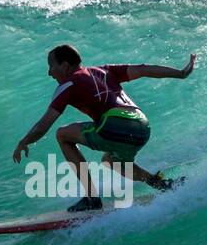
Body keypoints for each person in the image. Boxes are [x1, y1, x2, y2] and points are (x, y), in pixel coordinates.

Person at [12, 43, 195, 211]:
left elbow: (43, 125)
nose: (49, 72)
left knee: (62, 134)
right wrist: (180, 73)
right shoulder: (104, 71)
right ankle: (163, 185)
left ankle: (92, 198)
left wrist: (24, 141)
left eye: (51, 65)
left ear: (65, 65)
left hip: (116, 124)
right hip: (141, 125)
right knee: (112, 161)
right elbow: (143, 69)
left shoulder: (68, 84)